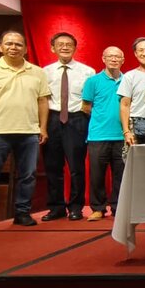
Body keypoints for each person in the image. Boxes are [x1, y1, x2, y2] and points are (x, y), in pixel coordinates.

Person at [0, 30, 51, 231]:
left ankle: (22, 212)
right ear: (0, 47)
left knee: (28, 175)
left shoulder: (37, 72)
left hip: (28, 132)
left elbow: (42, 101)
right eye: (9, 43)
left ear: (26, 49)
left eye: (18, 44)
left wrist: (42, 128)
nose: (13, 47)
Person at [42, 32, 95, 222]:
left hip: (77, 119)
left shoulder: (87, 71)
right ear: (53, 48)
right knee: (53, 166)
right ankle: (56, 207)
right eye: (60, 44)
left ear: (75, 48)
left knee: (76, 167)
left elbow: (91, 99)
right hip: (52, 118)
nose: (64, 47)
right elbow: (42, 99)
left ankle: (75, 207)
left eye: (69, 44)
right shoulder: (45, 72)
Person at [80, 46, 125, 222]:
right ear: (103, 59)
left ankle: (118, 207)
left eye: (117, 57)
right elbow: (86, 107)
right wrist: (103, 118)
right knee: (97, 175)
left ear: (123, 60)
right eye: (110, 56)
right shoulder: (93, 81)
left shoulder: (128, 80)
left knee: (120, 175)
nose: (114, 59)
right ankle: (98, 208)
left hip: (122, 135)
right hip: (98, 136)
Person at [118, 37, 145, 148]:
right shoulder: (129, 76)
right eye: (141, 50)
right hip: (136, 124)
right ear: (135, 53)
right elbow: (125, 105)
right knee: (135, 157)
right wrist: (126, 131)